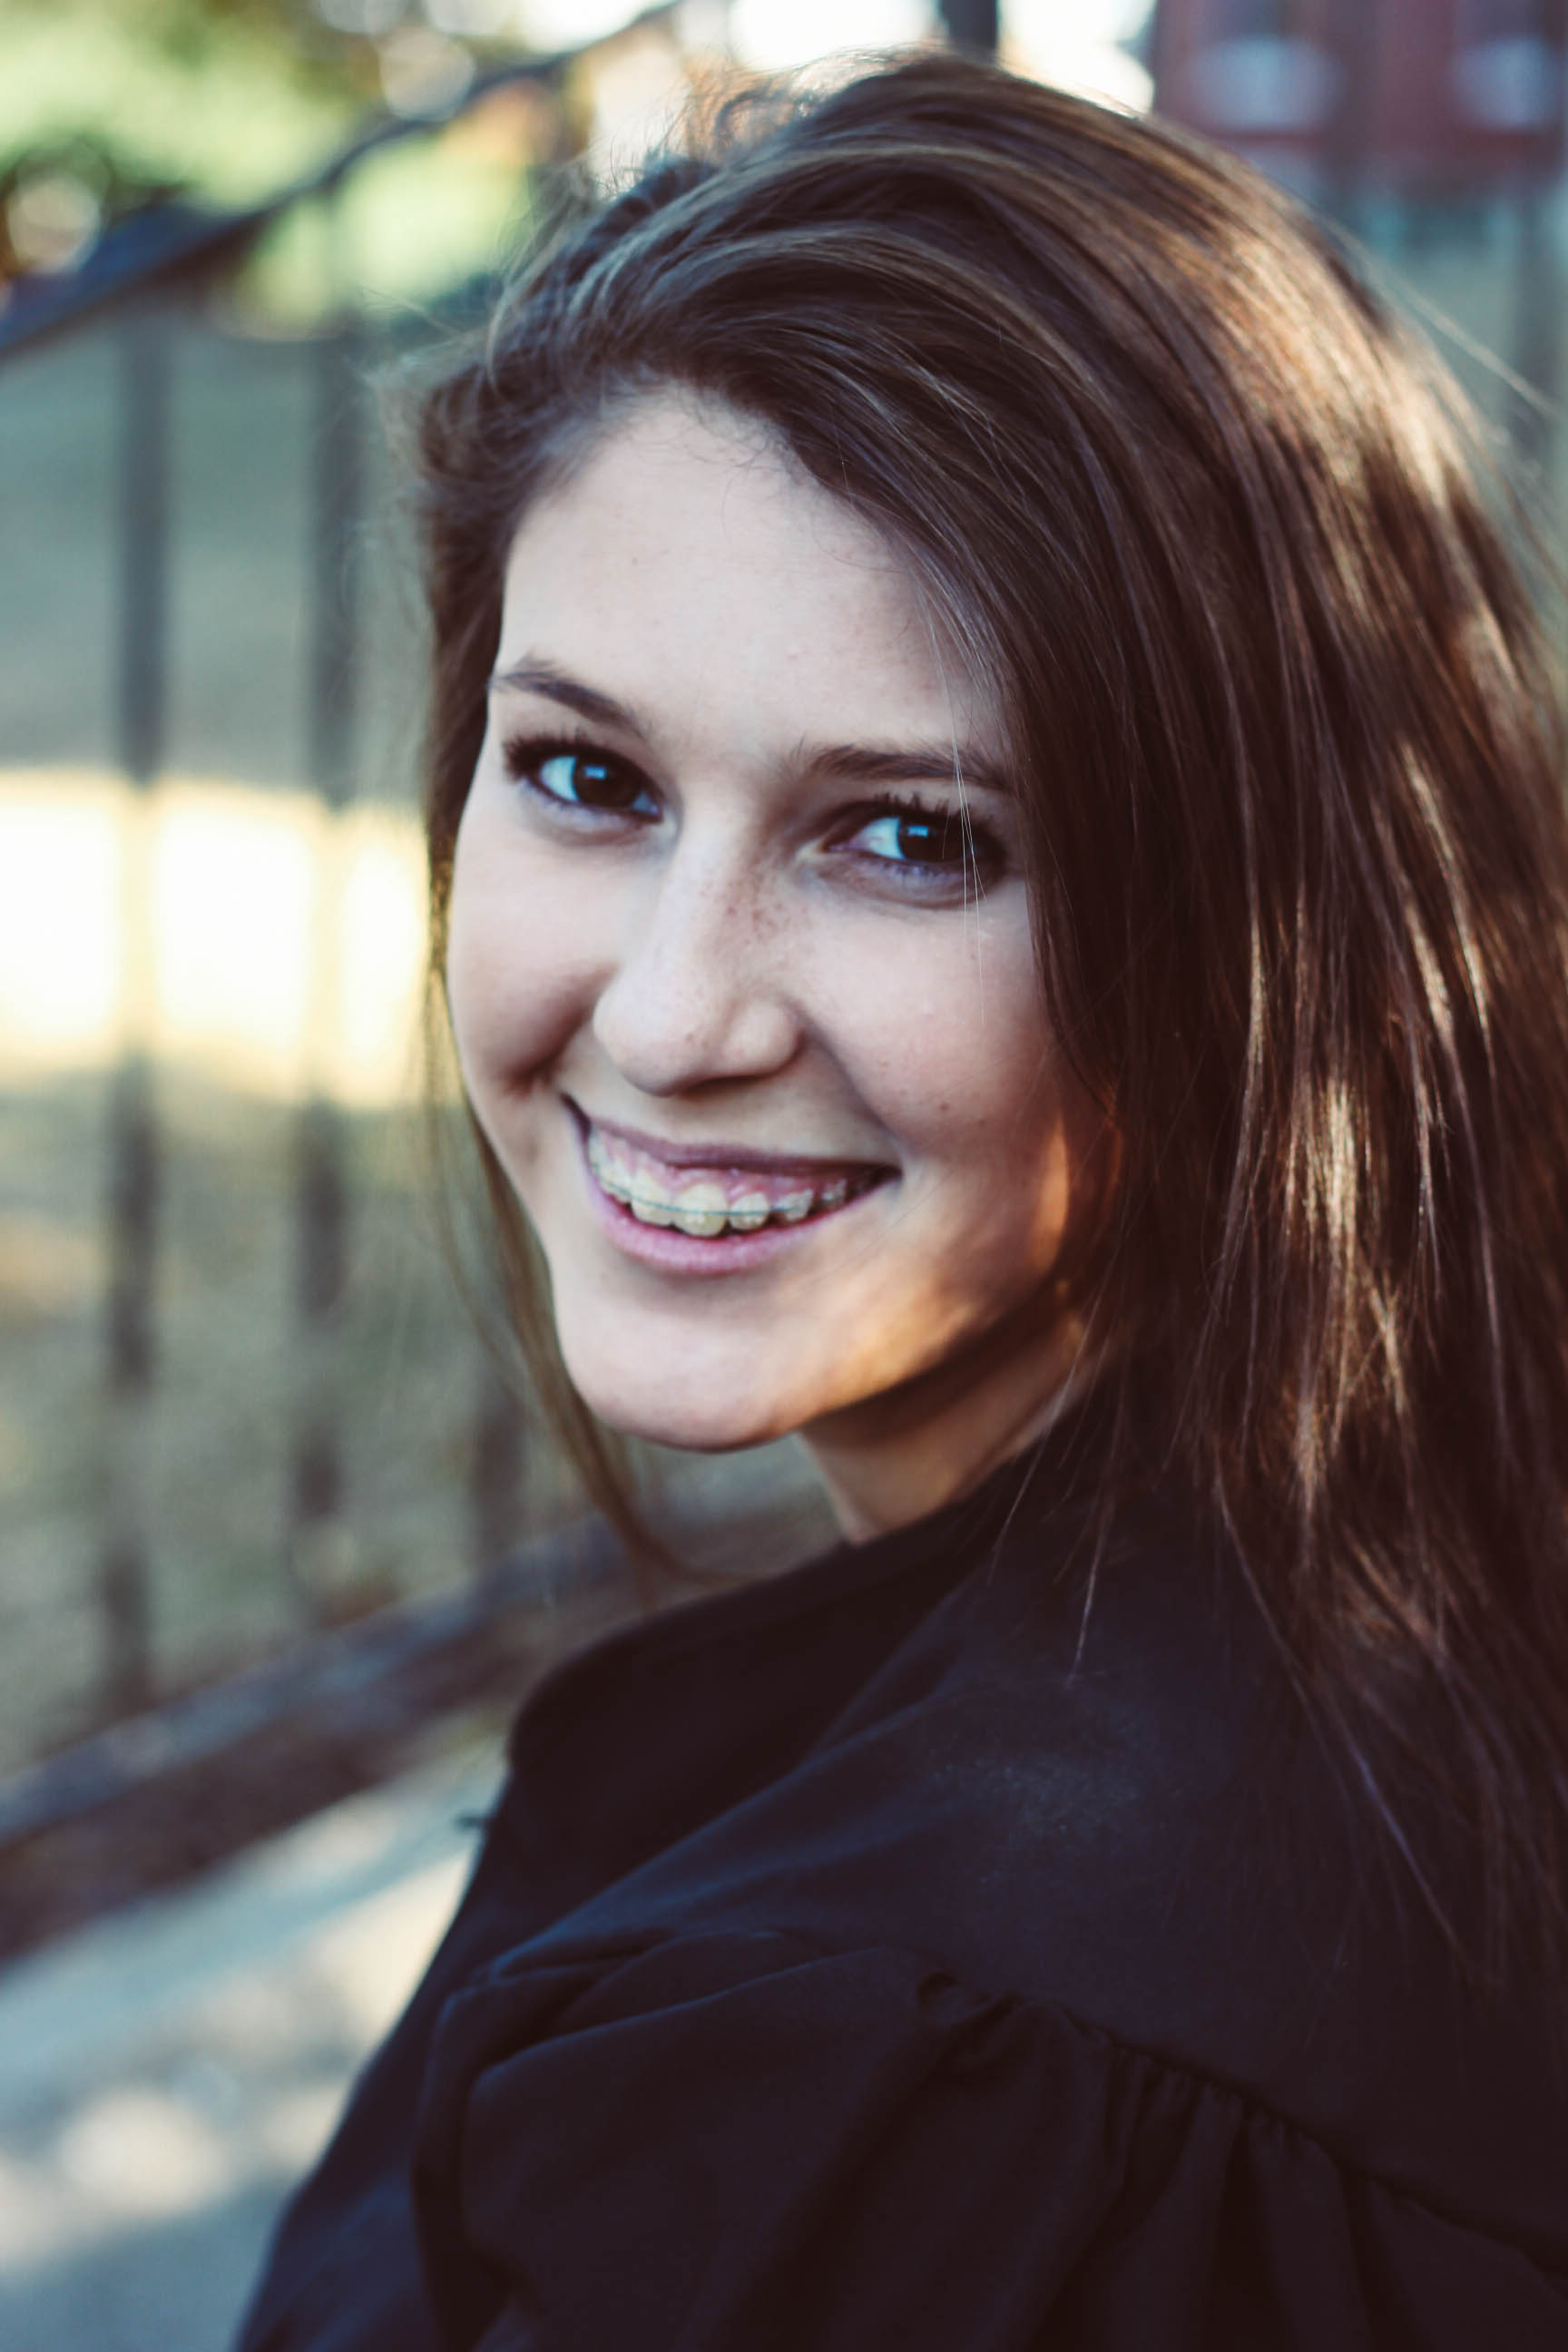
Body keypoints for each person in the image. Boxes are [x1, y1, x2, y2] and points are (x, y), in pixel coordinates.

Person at [236, 51, 1568, 2350]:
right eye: (588, 777)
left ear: (1277, 936)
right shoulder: (1415, 1536)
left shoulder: (928, 2089)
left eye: (914, 836)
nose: (671, 1016)